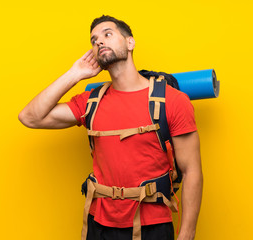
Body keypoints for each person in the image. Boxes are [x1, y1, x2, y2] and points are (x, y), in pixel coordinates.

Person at [18, 15, 203, 240]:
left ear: (130, 43)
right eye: (94, 40)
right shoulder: (90, 102)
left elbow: (191, 171)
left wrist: (187, 234)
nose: (99, 42)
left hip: (152, 227)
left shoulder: (172, 101)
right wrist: (74, 74)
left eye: (108, 34)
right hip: (99, 225)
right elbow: (30, 117)